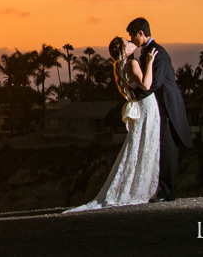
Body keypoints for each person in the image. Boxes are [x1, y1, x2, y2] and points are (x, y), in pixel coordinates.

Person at [66, 36, 160, 212]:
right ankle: (141, 189)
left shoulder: (120, 67)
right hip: (147, 106)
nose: (131, 42)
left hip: (141, 107)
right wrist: (149, 62)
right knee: (146, 144)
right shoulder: (132, 65)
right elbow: (146, 85)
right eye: (127, 42)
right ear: (124, 50)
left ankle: (138, 186)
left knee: (138, 144)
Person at [127, 16, 192, 202]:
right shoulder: (147, 52)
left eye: (133, 35)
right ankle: (160, 190)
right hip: (158, 106)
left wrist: (135, 96)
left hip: (168, 106)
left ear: (141, 33)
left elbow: (155, 83)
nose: (132, 39)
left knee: (168, 149)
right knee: (160, 148)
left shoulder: (158, 52)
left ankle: (168, 192)